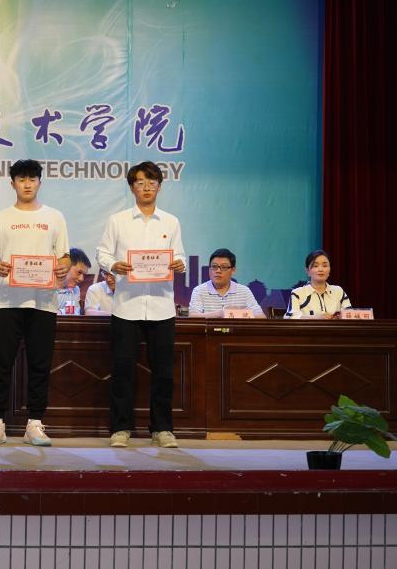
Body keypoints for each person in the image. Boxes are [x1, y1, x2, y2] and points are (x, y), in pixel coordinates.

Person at [0, 159, 70, 447]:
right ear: (13, 184)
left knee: (40, 364)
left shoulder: (55, 217)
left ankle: (35, 423)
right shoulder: (1, 218)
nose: (27, 184)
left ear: (40, 182)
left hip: (43, 302)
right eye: (21, 179)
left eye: (32, 179)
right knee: (1, 363)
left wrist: (63, 267)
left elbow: (65, 257)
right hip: (6, 301)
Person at [96, 161, 185, 449]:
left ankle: (162, 429)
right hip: (126, 306)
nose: (146, 188)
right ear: (132, 187)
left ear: (160, 187)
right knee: (122, 369)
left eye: (151, 183)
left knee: (164, 372)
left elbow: (180, 256)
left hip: (162, 306)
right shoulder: (118, 220)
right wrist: (114, 265)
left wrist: (179, 263)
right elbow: (102, 253)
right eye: (140, 183)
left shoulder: (171, 222)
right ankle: (120, 428)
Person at [188, 249, 265, 318]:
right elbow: (192, 317)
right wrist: (220, 313)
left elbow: (261, 317)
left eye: (223, 267)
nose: (218, 271)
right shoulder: (199, 290)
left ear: (233, 270)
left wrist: (234, 314)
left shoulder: (244, 291)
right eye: (214, 266)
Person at [285, 250, 352, 319]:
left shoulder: (338, 291)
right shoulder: (297, 293)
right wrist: (315, 318)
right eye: (315, 266)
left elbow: (350, 315)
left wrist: (339, 317)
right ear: (307, 271)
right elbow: (290, 317)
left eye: (325, 266)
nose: (321, 269)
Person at [55, 248, 91, 316]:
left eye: (84, 275)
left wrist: (60, 312)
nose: (81, 279)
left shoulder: (75, 290)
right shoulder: (46, 287)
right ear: (66, 266)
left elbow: (74, 313)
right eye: (79, 272)